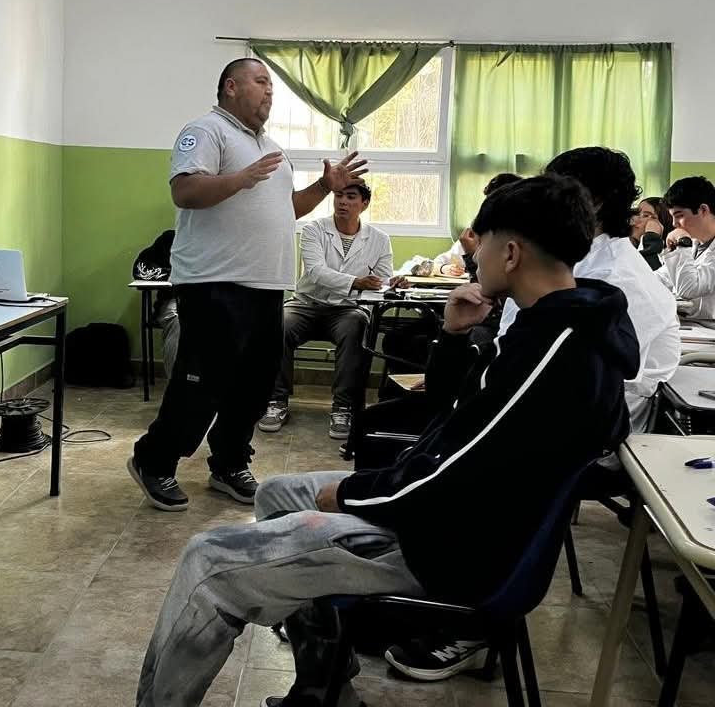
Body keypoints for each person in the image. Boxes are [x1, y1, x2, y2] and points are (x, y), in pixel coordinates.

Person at [135, 175, 637, 707]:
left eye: (482, 243)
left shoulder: (556, 349)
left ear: (510, 253)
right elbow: (458, 421)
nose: (476, 256)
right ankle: (324, 687)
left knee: (207, 560)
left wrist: (355, 495)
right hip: (452, 514)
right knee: (275, 495)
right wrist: (453, 338)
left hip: (450, 547)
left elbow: (457, 468)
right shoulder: (564, 322)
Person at [129, 58, 367, 512]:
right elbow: (185, 191)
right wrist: (240, 179)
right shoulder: (206, 130)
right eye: (261, 82)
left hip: (264, 285)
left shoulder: (271, 149)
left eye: (272, 88)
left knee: (255, 383)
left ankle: (229, 462)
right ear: (231, 86)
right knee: (203, 382)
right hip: (214, 281)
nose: (269, 93)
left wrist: (323, 185)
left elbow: (286, 210)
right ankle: (154, 460)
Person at [497, 148, 678, 434]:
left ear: (593, 203)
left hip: (583, 439)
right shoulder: (577, 257)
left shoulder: (613, 277)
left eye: (552, 192)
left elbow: (560, 376)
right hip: (544, 410)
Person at [258, 182, 393, 439]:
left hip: (347, 309)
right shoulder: (314, 229)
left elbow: (382, 279)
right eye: (339, 195)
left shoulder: (379, 239)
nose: (342, 201)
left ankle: (342, 407)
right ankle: (276, 402)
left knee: (357, 327)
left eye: (351, 197)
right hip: (306, 304)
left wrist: (392, 283)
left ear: (364, 204)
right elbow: (316, 272)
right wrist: (356, 281)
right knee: (279, 323)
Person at [430, 173, 523, 279]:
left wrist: (471, 255)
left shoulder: (520, 240)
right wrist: (444, 268)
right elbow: (439, 262)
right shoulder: (479, 233)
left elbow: (489, 288)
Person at [655, 176, 715, 324]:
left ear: (703, 209)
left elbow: (688, 289)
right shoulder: (695, 244)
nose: (675, 224)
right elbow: (660, 279)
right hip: (692, 326)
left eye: (679, 216)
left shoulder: (687, 244)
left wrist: (683, 245)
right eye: (672, 217)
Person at [133, 229, 180, 379]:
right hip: (176, 302)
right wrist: (176, 274)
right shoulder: (172, 238)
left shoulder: (223, 242)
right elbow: (140, 270)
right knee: (179, 320)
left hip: (213, 302)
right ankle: (177, 385)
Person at [630, 197, 672, 271]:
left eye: (645, 215)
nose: (634, 220)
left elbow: (651, 277)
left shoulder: (670, 260)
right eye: (636, 213)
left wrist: (652, 237)